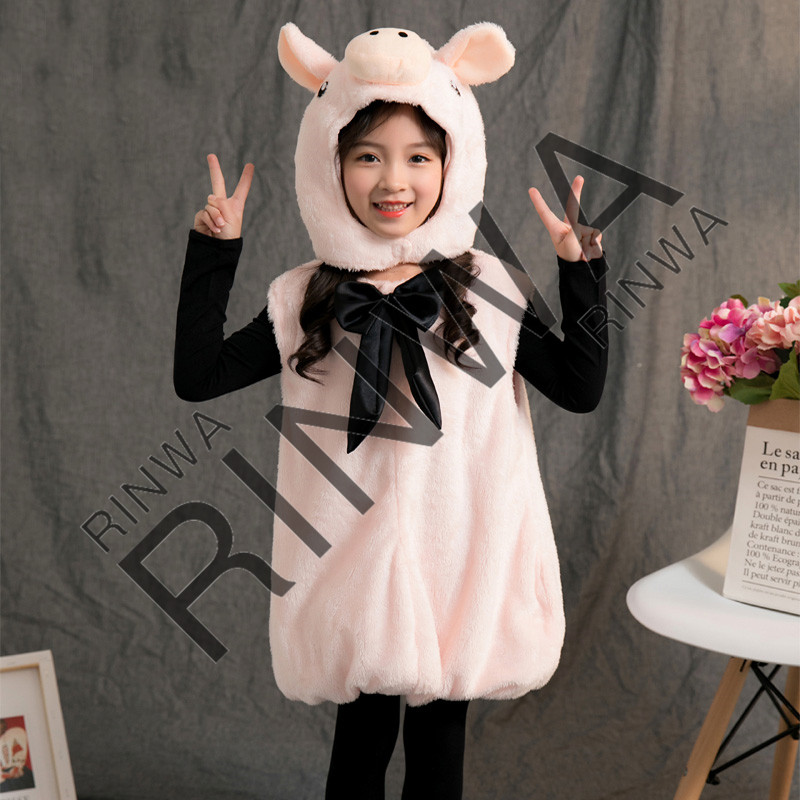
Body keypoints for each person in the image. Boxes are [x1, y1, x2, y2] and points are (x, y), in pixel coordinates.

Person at [174, 22, 608, 800]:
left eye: (418, 157)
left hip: (462, 561)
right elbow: (198, 377)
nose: (393, 180)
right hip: (348, 566)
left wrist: (581, 273)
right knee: (359, 753)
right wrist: (215, 252)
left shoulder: (490, 290)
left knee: (439, 757)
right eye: (368, 156)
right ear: (331, 164)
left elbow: (579, 388)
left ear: (453, 163)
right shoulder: (304, 297)